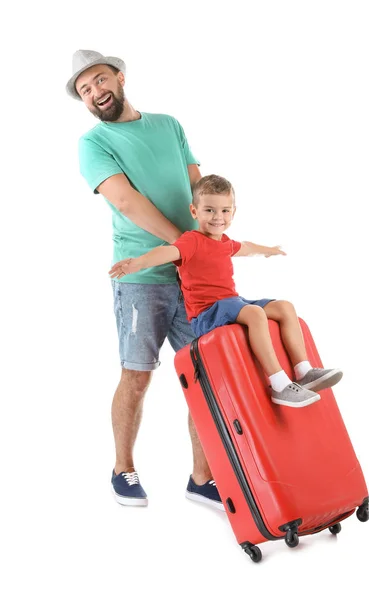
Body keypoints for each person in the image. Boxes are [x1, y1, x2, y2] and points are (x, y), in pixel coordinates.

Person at [67, 49, 223, 510]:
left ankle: (201, 478)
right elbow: (127, 202)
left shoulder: (168, 125)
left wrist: (211, 235)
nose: (95, 93)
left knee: (204, 375)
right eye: (85, 90)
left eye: (99, 80)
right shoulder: (93, 143)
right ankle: (123, 469)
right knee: (136, 376)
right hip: (142, 279)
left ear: (118, 75)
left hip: (193, 277)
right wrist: (185, 246)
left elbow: (198, 186)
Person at [110, 174, 343, 408]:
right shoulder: (192, 241)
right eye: (209, 210)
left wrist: (268, 250)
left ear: (233, 212)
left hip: (231, 303)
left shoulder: (224, 242)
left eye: (224, 211)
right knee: (254, 313)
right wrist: (138, 263)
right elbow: (167, 253)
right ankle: (279, 384)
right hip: (207, 313)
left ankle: (304, 371)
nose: (217, 217)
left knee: (285, 307)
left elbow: (247, 247)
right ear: (194, 211)